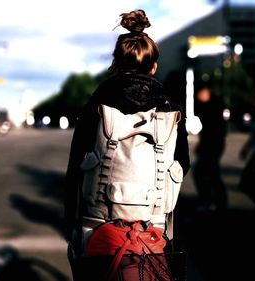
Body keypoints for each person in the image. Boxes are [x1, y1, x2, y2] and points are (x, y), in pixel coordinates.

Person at [64, 10, 190, 281]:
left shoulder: (96, 105)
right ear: (153, 66)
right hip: (152, 225)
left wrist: (70, 225)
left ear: (115, 64)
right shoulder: (170, 110)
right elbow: (183, 165)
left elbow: (75, 168)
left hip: (98, 224)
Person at [192, 80, 228, 212]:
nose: (198, 96)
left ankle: (213, 201)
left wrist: (206, 147)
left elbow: (216, 131)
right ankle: (215, 201)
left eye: (199, 93)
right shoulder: (206, 106)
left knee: (209, 173)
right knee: (209, 174)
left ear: (206, 92)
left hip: (213, 147)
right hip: (209, 146)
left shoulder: (215, 106)